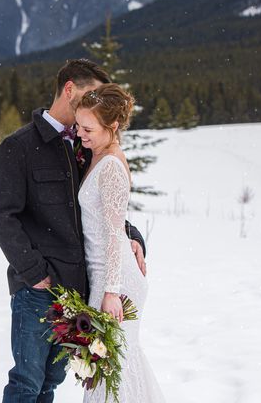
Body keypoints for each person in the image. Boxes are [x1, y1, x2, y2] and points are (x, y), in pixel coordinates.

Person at [0, 59, 148, 403]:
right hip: (38, 289)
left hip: (77, 290)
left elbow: (101, 207)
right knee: (26, 382)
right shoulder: (19, 147)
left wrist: (131, 237)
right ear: (69, 89)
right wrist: (33, 273)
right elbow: (2, 216)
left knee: (50, 382)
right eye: (90, 94)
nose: (94, 105)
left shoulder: (83, 145)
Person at [75, 84, 166, 402]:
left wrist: (111, 292)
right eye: (78, 125)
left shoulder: (111, 166)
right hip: (106, 275)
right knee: (117, 365)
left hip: (116, 284)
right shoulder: (98, 155)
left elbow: (114, 232)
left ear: (112, 127)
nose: (80, 134)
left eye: (87, 128)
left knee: (112, 368)